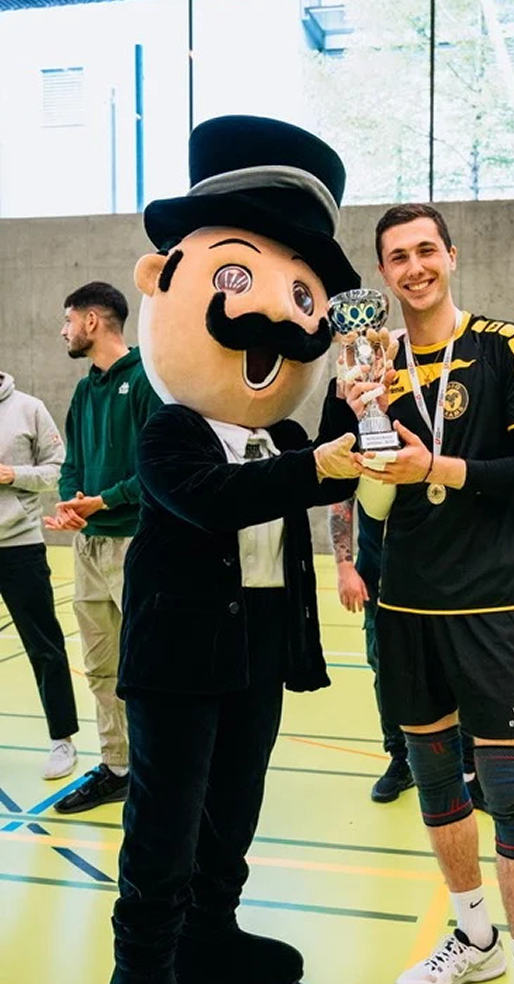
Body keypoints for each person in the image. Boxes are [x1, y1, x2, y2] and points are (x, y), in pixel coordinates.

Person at [109, 115, 362, 984]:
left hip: (257, 650)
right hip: (178, 659)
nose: (275, 316)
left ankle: (210, 932)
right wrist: (318, 461)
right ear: (163, 279)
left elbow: (328, 473)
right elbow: (211, 500)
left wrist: (361, 403)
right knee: (164, 825)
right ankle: (142, 965)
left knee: (233, 814)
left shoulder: (283, 433)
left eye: (301, 295)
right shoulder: (168, 429)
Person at [347, 203, 514, 984]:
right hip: (404, 605)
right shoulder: (371, 361)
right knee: (436, 781)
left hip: (490, 603)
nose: (414, 267)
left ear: (452, 255)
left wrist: (436, 468)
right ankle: (477, 943)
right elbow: (365, 497)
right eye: (397, 257)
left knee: (508, 792)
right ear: (383, 273)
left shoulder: (503, 344)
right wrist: (362, 422)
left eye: (426, 250)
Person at [44, 281, 161, 814]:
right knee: (100, 668)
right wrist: (72, 504)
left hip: (135, 544)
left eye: (69, 320)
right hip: (89, 548)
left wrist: (104, 501)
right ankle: (117, 767)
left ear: (92, 321)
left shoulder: (145, 381)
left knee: (148, 668)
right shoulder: (84, 389)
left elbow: (159, 470)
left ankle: (161, 770)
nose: (64, 331)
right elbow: (72, 463)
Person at [329, 495, 487, 810]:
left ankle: (470, 769)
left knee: (459, 670)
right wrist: (344, 565)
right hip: (380, 579)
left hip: (447, 580)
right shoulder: (359, 444)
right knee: (386, 671)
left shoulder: (449, 445)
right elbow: (341, 495)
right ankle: (401, 760)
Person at [0, 371, 79, 779]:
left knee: (44, 645)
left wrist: (13, 475)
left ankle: (62, 740)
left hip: (19, 547)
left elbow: (57, 470)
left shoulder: (29, 408)